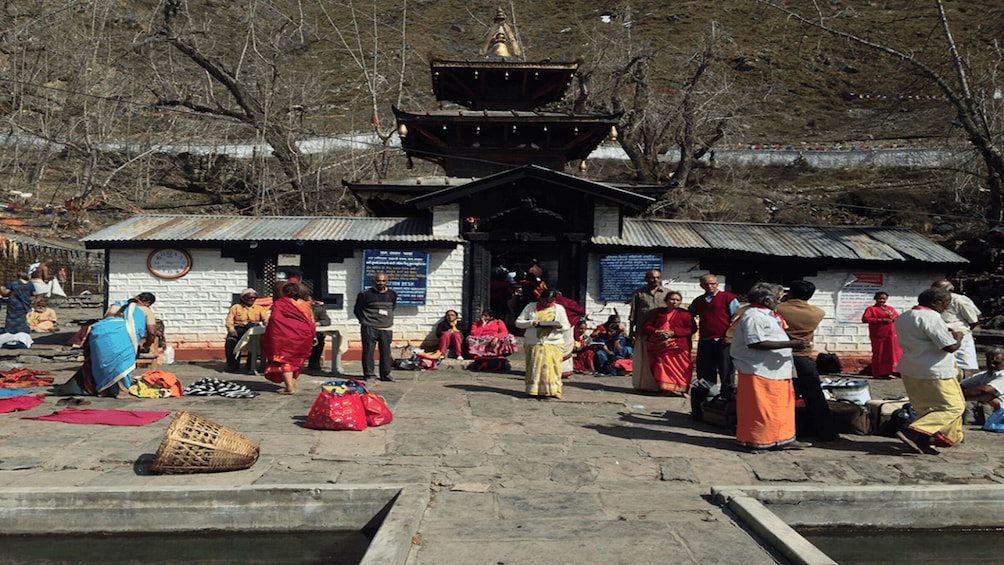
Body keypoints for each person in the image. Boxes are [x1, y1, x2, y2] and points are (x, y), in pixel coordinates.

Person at [730, 282, 811, 452]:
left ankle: (784, 439)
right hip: (758, 370)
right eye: (778, 298)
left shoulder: (769, 315)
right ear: (767, 300)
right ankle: (757, 441)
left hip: (776, 370)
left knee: (782, 408)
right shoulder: (753, 316)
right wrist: (791, 343)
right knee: (761, 411)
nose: (779, 302)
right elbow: (755, 342)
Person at [894, 287, 965, 454]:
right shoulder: (931, 317)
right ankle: (911, 432)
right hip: (935, 370)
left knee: (926, 409)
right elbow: (949, 346)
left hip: (911, 368)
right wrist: (958, 337)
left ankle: (923, 441)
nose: (946, 307)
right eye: (946, 303)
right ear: (935, 303)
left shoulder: (904, 316)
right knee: (953, 407)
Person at [776, 280, 837, 442]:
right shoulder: (817, 312)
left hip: (779, 356)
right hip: (803, 357)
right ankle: (827, 432)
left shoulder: (778, 309)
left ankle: (780, 430)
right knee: (815, 396)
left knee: (780, 395)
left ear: (790, 293)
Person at [71, 293, 158, 397]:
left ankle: (102, 390)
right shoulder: (145, 310)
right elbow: (152, 332)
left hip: (100, 333)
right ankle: (123, 392)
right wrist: (147, 345)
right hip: (122, 335)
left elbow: (107, 319)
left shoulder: (116, 305)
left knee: (103, 362)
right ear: (148, 303)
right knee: (123, 363)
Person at [690, 274, 740, 398]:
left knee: (726, 370)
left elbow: (737, 319)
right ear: (701, 285)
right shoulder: (698, 301)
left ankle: (727, 398)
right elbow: (689, 316)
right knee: (705, 370)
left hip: (724, 340)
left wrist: (731, 337)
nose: (710, 286)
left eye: (712, 283)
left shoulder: (728, 298)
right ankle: (708, 397)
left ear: (717, 284)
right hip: (706, 339)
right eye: (706, 284)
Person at [515, 288, 569, 399]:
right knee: (534, 368)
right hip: (534, 342)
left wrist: (559, 326)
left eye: (550, 302)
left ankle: (555, 391)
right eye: (544, 301)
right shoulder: (530, 307)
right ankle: (533, 390)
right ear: (540, 298)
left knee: (554, 368)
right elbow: (518, 323)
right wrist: (531, 323)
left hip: (554, 342)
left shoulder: (559, 309)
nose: (546, 304)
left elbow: (566, 325)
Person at [262, 282, 315, 394]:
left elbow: (275, 320)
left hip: (285, 336)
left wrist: (272, 335)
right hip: (304, 336)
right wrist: (313, 336)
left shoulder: (280, 303)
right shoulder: (305, 304)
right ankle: (292, 382)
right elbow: (311, 321)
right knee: (297, 359)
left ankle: (289, 387)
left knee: (285, 360)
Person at [642, 290, 697, 396]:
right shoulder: (658, 313)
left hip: (679, 346)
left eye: (677, 300)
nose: (674, 302)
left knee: (683, 368)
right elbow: (647, 326)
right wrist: (656, 331)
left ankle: (683, 390)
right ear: (666, 300)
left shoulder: (685, 314)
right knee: (663, 367)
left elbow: (691, 329)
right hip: (660, 345)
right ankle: (666, 389)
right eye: (672, 299)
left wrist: (673, 333)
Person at [629, 270, 669, 392]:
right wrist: (632, 331)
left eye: (657, 278)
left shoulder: (667, 293)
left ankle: (662, 385)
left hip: (661, 332)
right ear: (646, 279)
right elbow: (633, 313)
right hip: (643, 331)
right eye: (652, 278)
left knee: (661, 361)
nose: (655, 280)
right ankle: (644, 386)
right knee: (644, 360)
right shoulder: (639, 293)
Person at [354, 273, 397, 382]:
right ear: (374, 281)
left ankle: (386, 374)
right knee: (368, 351)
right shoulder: (365, 294)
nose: (380, 283)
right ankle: (369, 374)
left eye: (383, 281)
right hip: (369, 326)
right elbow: (357, 310)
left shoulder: (392, 294)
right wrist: (363, 320)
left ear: (387, 282)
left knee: (386, 352)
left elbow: (393, 308)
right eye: (378, 281)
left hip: (386, 327)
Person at [931, 279, 981, 372]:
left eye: (938, 290)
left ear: (949, 291)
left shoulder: (960, 301)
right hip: (942, 336)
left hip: (961, 337)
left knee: (965, 366)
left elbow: (973, 321)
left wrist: (962, 332)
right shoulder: (933, 301)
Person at [225, 288, 270, 371]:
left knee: (256, 341)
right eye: (250, 298)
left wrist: (267, 325)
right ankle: (232, 365)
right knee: (230, 341)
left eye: (254, 298)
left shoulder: (259, 308)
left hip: (253, 329)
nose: (252, 299)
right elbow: (229, 320)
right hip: (239, 329)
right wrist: (231, 329)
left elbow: (266, 320)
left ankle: (250, 365)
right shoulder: (236, 307)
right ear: (243, 298)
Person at [861, 291, 902, 379]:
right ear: (875, 298)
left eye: (884, 299)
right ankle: (877, 372)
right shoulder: (871, 309)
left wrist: (894, 319)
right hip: (878, 335)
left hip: (890, 335)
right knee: (879, 353)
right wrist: (882, 320)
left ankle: (890, 371)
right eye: (880, 298)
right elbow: (865, 319)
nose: (881, 300)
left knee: (891, 353)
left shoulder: (890, 308)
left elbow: (897, 317)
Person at [961, 348, 1004, 414]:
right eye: (989, 362)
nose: (992, 365)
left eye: (996, 363)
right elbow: (962, 385)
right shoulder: (985, 375)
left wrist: (957, 395)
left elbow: (985, 390)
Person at [307, 296, 332, 371]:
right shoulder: (295, 309)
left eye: (308, 300)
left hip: (314, 333)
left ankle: (314, 362)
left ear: (312, 301)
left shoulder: (318, 309)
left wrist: (318, 323)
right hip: (299, 333)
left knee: (320, 339)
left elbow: (327, 321)